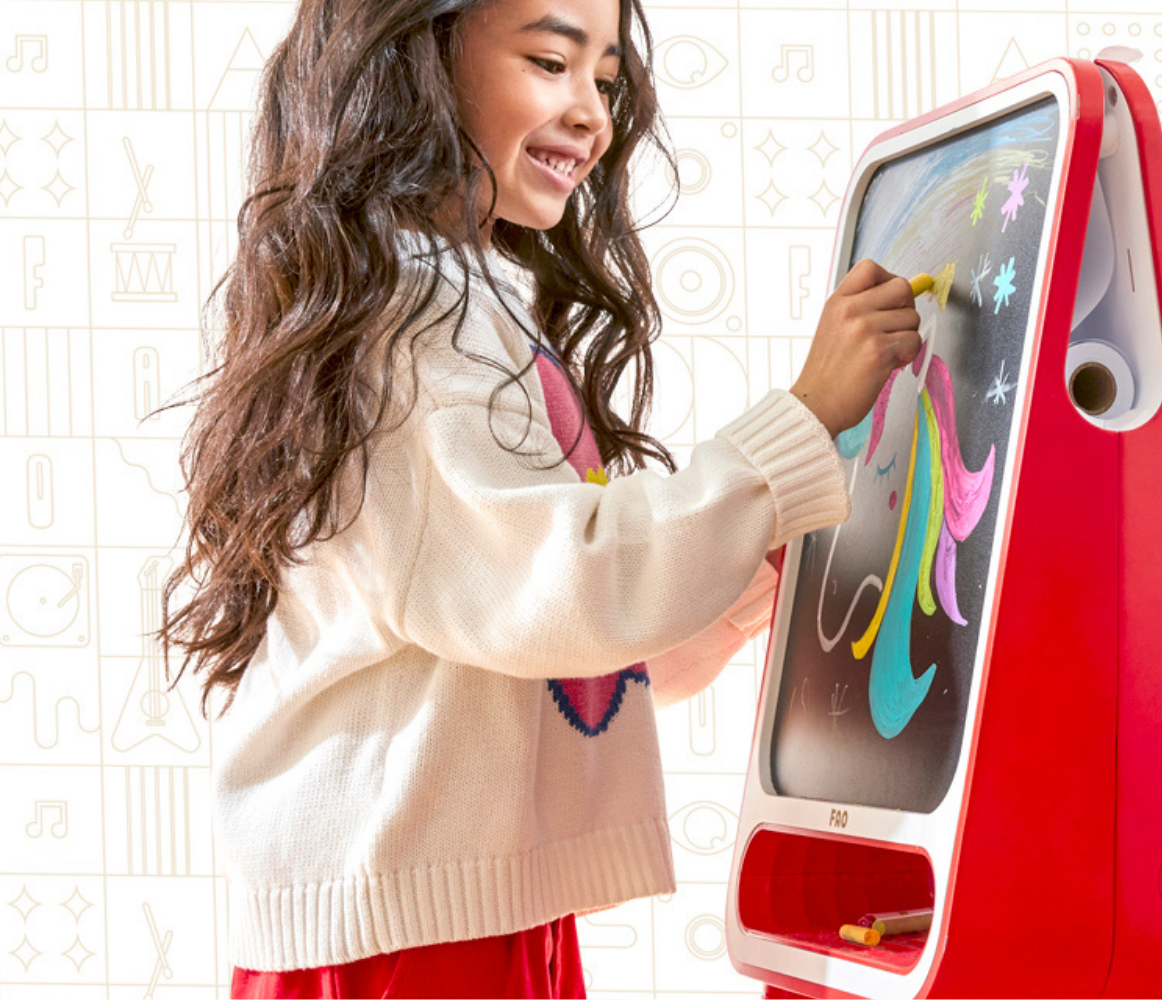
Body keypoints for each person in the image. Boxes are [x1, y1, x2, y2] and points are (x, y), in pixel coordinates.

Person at [164, 0, 920, 991]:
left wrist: (752, 565)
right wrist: (801, 420)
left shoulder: (460, 303)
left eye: (603, 76)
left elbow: (552, 647)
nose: (593, 113)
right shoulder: (411, 329)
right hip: (407, 942)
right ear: (414, 60)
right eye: (550, 60)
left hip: (448, 914)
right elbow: (569, 590)